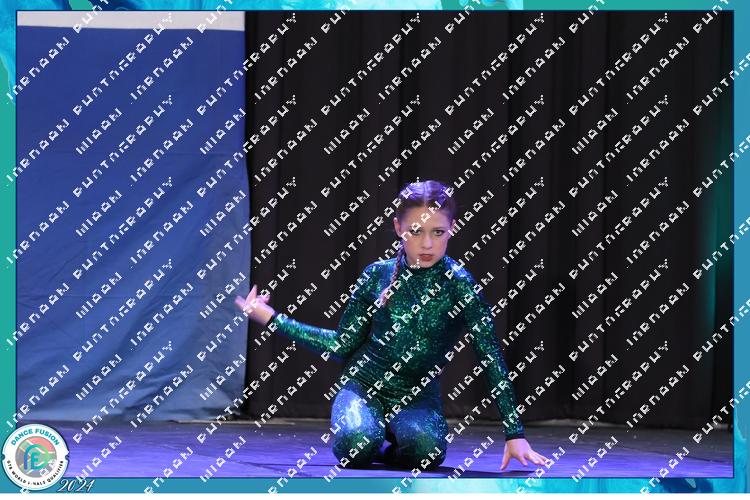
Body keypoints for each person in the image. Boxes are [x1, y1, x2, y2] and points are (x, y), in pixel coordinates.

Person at [235, 179, 547, 472]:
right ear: (398, 228)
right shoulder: (377, 275)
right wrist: (273, 318)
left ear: (452, 228)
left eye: (438, 232)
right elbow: (341, 344)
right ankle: (369, 433)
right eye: (416, 231)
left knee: (426, 452)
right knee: (356, 444)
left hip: (416, 394)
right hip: (364, 385)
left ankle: (388, 445)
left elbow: (490, 357)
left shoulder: (460, 285)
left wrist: (514, 433)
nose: (427, 243)